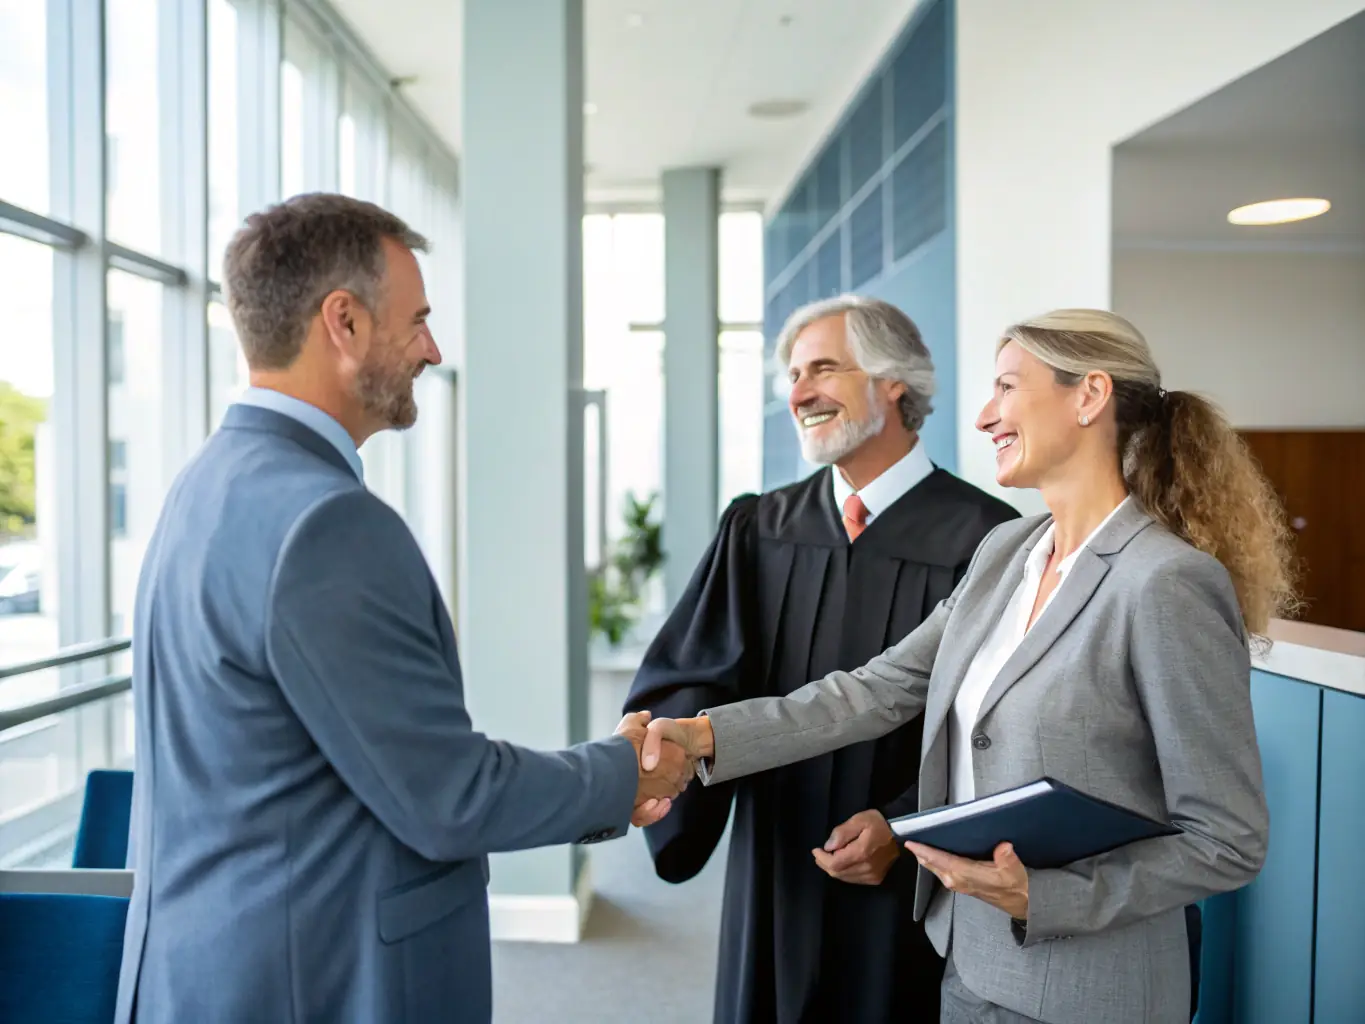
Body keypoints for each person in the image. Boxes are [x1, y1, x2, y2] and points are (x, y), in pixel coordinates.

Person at [113, 194, 690, 1024]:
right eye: (416, 319)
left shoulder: (204, 484)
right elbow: (447, 796)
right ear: (342, 323)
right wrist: (623, 772)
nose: (433, 347)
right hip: (312, 979)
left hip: (215, 964)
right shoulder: (325, 523)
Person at [641, 308, 1297, 1024]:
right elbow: (875, 690)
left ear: (1089, 396)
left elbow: (1227, 841)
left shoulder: (1163, 581)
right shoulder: (1006, 554)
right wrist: (701, 738)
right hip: (967, 970)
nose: (984, 416)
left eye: (1006, 388)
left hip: (1088, 991)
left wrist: (1048, 899)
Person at [625, 295, 1018, 1022]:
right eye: (793, 376)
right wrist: (661, 764)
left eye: (823, 369)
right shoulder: (759, 527)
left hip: (905, 880)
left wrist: (906, 828)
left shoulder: (987, 540)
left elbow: (997, 726)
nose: (798, 393)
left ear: (893, 381)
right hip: (777, 853)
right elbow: (692, 668)